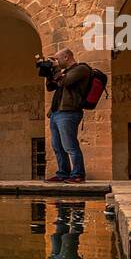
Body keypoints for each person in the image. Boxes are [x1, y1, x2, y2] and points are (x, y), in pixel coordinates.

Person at [38, 48, 93, 183]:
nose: (56, 62)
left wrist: (56, 69)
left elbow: (65, 82)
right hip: (56, 113)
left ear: (66, 57)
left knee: (70, 145)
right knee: (57, 146)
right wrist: (48, 73)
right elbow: (51, 87)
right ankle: (63, 173)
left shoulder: (81, 69)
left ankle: (78, 175)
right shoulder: (64, 73)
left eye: (57, 59)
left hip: (69, 112)